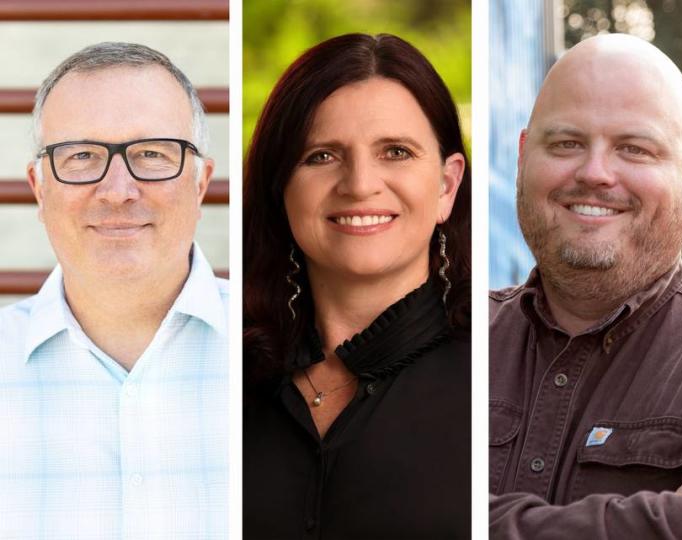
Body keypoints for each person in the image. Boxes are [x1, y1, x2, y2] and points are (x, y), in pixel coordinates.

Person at [242, 33, 471, 538]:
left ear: (446, 186)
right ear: (280, 187)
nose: (360, 183)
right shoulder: (225, 375)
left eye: (396, 151)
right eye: (322, 156)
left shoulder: (493, 372)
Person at [489, 34, 682, 539]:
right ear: (524, 155)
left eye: (634, 149)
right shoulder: (452, 334)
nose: (594, 174)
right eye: (567, 143)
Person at [0, 43, 226, 538]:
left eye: (150, 154)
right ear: (39, 189)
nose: (118, 190)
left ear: (200, 182)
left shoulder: (281, 347)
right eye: (81, 156)